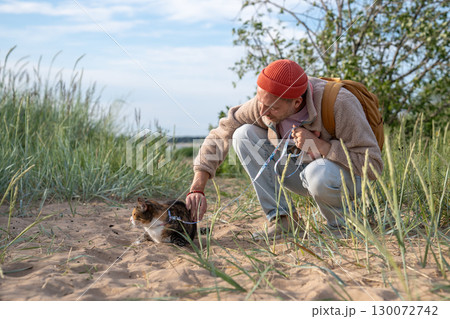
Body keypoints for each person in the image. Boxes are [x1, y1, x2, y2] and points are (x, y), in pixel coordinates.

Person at [186, 59, 383, 238]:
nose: (263, 112)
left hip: (347, 179)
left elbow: (373, 165)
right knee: (243, 134)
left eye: (272, 108)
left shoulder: (340, 103)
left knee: (318, 172)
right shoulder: (266, 103)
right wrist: (198, 186)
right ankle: (283, 220)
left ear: (297, 102)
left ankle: (342, 226)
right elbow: (222, 132)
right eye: (260, 103)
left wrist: (323, 147)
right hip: (301, 174)